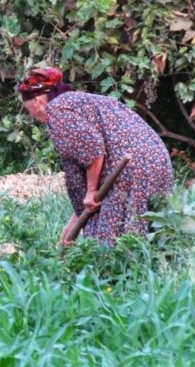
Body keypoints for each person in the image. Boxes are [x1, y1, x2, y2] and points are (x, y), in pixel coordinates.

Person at [17, 67, 173, 246]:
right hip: (155, 160)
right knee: (152, 230)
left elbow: (93, 150)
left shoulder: (57, 110)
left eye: (28, 109)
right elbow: (90, 162)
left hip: (131, 169)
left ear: (37, 101)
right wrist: (74, 222)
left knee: (113, 245)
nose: (31, 115)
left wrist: (91, 192)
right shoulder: (75, 102)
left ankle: (119, 270)